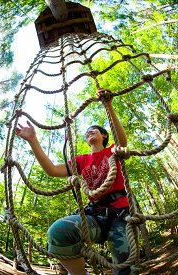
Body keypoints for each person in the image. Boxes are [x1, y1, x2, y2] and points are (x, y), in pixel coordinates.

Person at [15, 88, 130, 275]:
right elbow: (51, 170)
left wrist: (108, 106)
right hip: (95, 215)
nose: (90, 131)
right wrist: (32, 139)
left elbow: (122, 141)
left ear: (104, 136)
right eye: (87, 132)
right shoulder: (80, 161)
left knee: (125, 268)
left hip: (121, 212)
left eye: (95, 130)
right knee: (59, 231)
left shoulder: (112, 152)